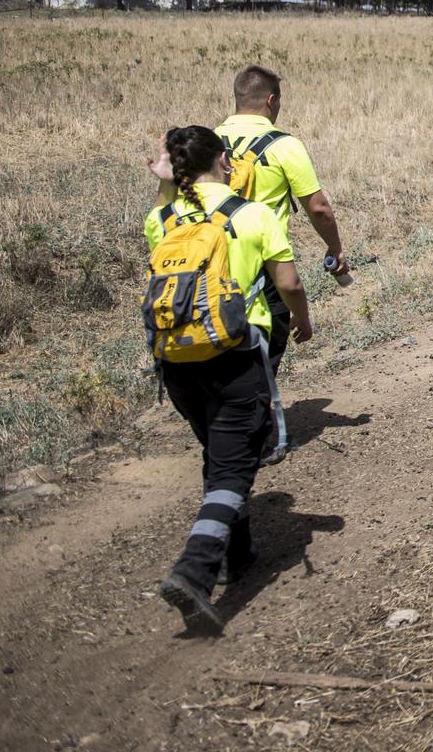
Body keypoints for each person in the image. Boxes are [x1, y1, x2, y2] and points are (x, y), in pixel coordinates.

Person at [146, 125, 314, 633]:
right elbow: (288, 282)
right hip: (238, 354)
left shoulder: (162, 217)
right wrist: (303, 320)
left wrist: (166, 183)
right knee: (233, 465)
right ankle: (194, 572)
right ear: (224, 159)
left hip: (176, 359)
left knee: (219, 451)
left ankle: (238, 553)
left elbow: (161, 234)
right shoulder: (255, 215)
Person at [151, 64, 346, 371]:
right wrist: (335, 248)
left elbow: (169, 209)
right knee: (257, 363)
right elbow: (318, 208)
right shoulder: (285, 145)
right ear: (271, 101)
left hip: (206, 263)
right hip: (262, 273)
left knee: (213, 345)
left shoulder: (207, 142)